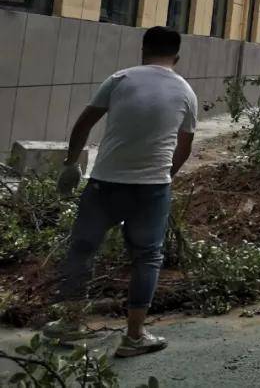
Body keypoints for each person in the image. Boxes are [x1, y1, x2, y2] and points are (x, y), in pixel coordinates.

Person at [45, 26, 197, 358]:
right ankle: (134, 336)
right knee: (147, 257)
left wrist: (71, 163)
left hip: (105, 184)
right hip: (152, 189)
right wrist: (164, 176)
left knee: (82, 250)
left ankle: (71, 324)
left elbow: (84, 124)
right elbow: (184, 147)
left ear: (142, 51)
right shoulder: (186, 92)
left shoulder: (120, 79)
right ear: (177, 56)